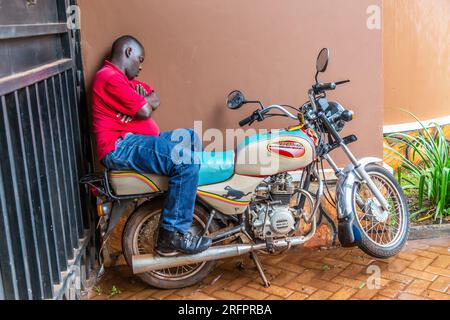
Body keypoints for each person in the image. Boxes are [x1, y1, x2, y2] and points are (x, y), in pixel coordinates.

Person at [91, 35, 211, 256]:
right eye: (140, 59)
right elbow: (145, 109)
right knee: (186, 160)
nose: (141, 66)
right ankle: (171, 234)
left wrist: (145, 99)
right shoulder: (109, 78)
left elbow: (154, 96)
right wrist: (144, 102)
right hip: (120, 145)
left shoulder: (124, 80)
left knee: (190, 137)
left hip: (135, 141)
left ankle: (183, 204)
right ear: (128, 52)